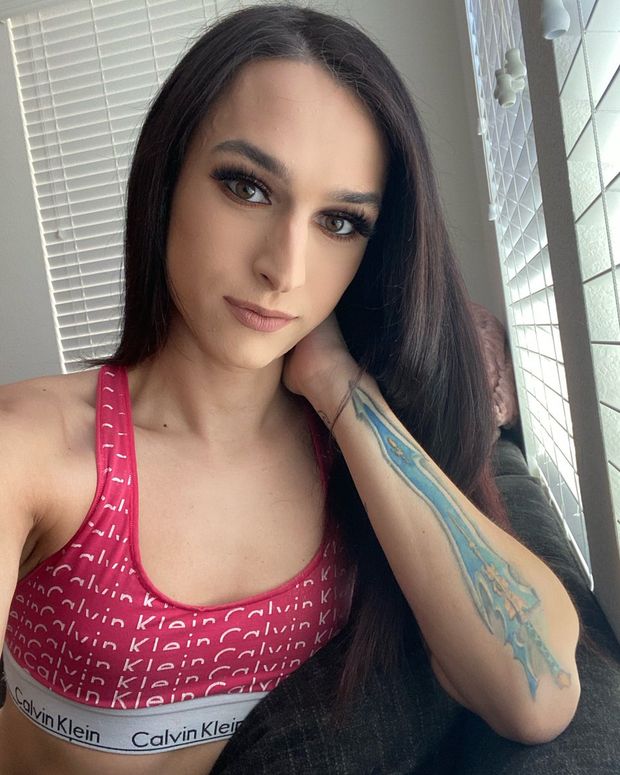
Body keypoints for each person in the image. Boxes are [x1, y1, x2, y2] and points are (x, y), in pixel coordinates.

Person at [0, 4, 583, 774]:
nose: (285, 268)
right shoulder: (32, 448)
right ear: (168, 178)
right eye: (246, 187)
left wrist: (339, 386)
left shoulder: (352, 460)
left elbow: (536, 695)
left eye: (339, 222)